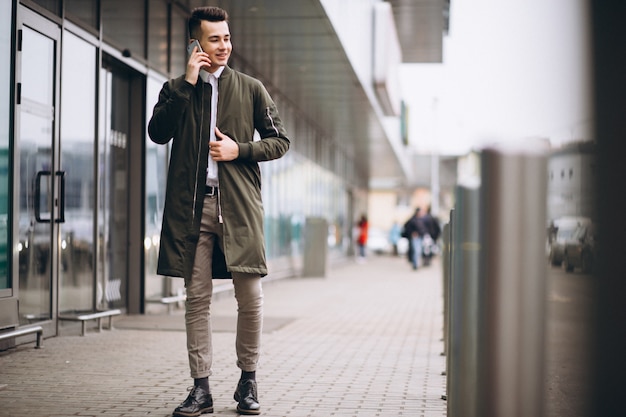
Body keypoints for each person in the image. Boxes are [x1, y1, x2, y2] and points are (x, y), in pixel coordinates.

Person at [148, 6, 290, 416]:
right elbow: (159, 132)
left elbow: (280, 141)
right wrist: (188, 83)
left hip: (239, 208)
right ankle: (201, 389)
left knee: (251, 297)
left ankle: (248, 381)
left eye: (227, 37)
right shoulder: (177, 88)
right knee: (197, 299)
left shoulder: (250, 88)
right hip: (193, 210)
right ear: (196, 44)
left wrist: (238, 150)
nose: (224, 46)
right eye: (215, 39)